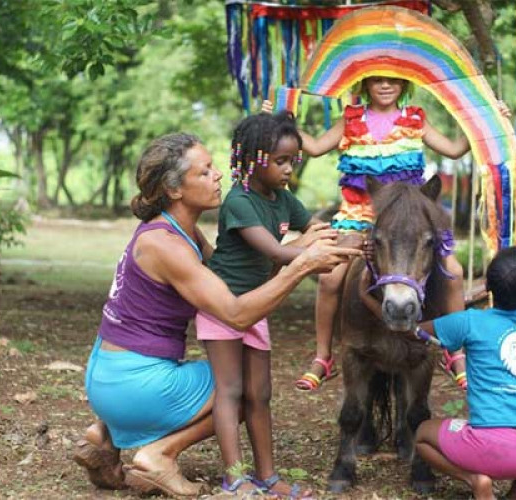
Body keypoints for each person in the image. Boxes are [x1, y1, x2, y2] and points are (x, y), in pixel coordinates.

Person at [73, 133, 358, 498]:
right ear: (175, 189)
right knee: (241, 386)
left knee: (234, 378)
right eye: (205, 172)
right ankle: (160, 454)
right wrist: (301, 266)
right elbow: (236, 313)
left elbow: (234, 279)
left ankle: (105, 436)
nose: (219, 175)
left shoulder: (177, 229)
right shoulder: (168, 245)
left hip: (111, 376)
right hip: (133, 384)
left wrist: (297, 248)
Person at [264, 77, 511, 391]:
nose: (385, 85)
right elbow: (312, 147)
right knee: (329, 278)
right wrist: (281, 117)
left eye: (392, 80)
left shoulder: (416, 119)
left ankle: (454, 351)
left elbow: (454, 149)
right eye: (377, 80)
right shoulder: (349, 120)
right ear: (365, 84)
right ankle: (323, 356)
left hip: (407, 221)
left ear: (404, 84)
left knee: (454, 272)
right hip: (358, 218)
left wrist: (487, 120)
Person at [196, 111, 336, 498]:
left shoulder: (283, 199)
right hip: (223, 303)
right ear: (253, 158)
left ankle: (269, 477)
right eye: (280, 161)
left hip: (256, 306)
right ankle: (234, 477)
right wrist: (311, 245)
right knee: (230, 391)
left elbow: (314, 232)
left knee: (261, 393)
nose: (289, 169)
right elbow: (279, 251)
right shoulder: (238, 203)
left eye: (294, 160)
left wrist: (356, 243)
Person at [408, 247, 516, 500]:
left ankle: (476, 480)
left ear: (488, 286)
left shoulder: (470, 321)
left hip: (491, 448)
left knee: (423, 434)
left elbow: (412, 331)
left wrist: (367, 296)